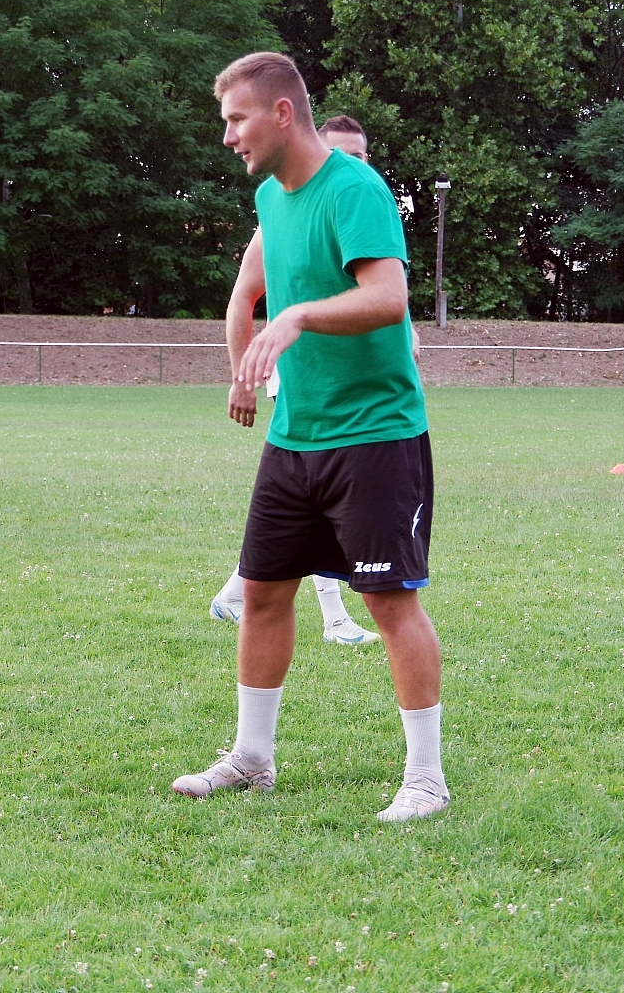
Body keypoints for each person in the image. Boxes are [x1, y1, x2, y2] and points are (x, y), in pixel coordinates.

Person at [172, 52, 449, 822]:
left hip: (375, 434)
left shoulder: (355, 189)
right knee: (262, 593)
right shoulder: (271, 197)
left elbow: (386, 297)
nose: (228, 136)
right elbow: (248, 295)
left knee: (388, 602)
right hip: (296, 438)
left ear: (282, 113)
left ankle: (426, 779)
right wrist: (243, 373)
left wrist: (294, 317)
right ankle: (252, 758)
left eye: (237, 119)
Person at [210, 114, 383, 646]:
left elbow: (376, 291)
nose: (350, 165)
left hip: (356, 385)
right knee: (320, 503)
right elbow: (242, 297)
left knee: (309, 509)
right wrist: (241, 377)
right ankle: (333, 620)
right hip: (304, 377)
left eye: (359, 156)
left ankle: (235, 593)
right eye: (340, 154)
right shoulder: (281, 213)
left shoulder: (361, 208)